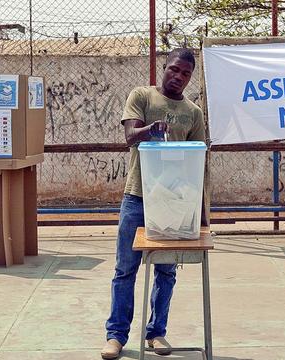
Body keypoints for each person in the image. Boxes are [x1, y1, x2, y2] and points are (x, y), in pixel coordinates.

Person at [101, 48, 206, 359]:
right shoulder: (142, 97)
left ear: (190, 78)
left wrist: (199, 214)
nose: (178, 77)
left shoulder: (193, 113)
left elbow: (197, 165)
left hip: (175, 201)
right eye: (174, 69)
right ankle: (116, 336)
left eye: (185, 74)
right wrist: (152, 129)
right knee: (125, 269)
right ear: (165, 67)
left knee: (166, 269)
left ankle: (156, 333)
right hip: (138, 197)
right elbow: (130, 136)